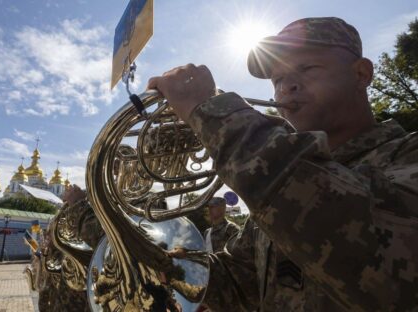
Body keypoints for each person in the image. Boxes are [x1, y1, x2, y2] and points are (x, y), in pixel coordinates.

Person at [149, 17, 418, 311]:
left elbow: (379, 254)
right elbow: (240, 282)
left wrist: (216, 117)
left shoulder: (407, 155)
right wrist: (162, 262)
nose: (287, 86)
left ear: (361, 74)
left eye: (306, 69)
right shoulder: (274, 194)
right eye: (277, 80)